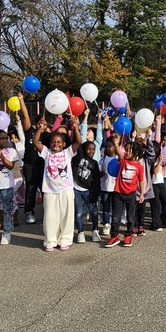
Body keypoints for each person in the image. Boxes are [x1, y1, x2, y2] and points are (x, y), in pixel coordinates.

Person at [33, 116, 81, 251]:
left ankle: (65, 239)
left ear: (64, 144)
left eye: (59, 142)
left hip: (66, 189)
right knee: (50, 216)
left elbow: (78, 142)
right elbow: (36, 142)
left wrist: (76, 127)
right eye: (53, 142)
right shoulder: (46, 153)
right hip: (49, 189)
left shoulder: (68, 153)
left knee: (67, 215)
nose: (56, 144)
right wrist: (40, 129)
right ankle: (50, 240)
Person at [104, 141, 147, 248]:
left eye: (129, 150)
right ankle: (114, 236)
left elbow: (141, 181)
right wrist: (116, 143)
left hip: (131, 195)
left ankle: (129, 235)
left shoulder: (139, 167)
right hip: (118, 193)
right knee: (115, 217)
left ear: (136, 152)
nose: (126, 152)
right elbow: (119, 152)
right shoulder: (123, 161)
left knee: (131, 217)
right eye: (126, 149)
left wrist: (142, 193)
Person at [17, 93, 45, 224]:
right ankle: (29, 212)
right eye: (40, 122)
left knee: (45, 189)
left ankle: (48, 212)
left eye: (44, 123)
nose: (42, 125)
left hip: (43, 165)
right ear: (36, 123)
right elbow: (25, 115)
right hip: (29, 165)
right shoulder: (29, 130)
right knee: (31, 189)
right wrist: (22, 100)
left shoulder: (47, 135)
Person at [73, 138, 102, 242]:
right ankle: (80, 232)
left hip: (87, 190)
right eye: (89, 149)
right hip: (75, 188)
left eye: (93, 149)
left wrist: (95, 194)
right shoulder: (76, 159)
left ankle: (95, 230)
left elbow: (96, 180)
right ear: (84, 149)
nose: (91, 151)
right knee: (78, 212)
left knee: (94, 211)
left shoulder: (94, 163)